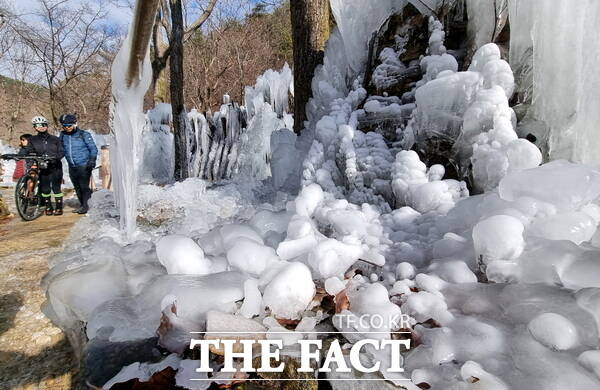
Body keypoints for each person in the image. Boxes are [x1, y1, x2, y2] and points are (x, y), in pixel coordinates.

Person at [19, 116, 65, 216]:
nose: (41, 127)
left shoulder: (55, 139)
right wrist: (23, 156)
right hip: (43, 167)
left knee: (56, 188)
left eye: (43, 125)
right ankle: (48, 206)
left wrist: (55, 157)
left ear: (47, 126)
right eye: (38, 126)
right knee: (45, 189)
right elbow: (29, 151)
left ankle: (58, 207)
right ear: (35, 127)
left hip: (55, 166)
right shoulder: (32, 139)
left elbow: (62, 151)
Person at [59, 113, 97, 214]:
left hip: (84, 165)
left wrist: (92, 160)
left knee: (84, 186)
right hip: (72, 166)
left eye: (69, 125)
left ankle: (87, 206)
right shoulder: (63, 136)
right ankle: (82, 205)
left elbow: (93, 148)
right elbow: (61, 149)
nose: (67, 128)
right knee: (77, 187)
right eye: (65, 126)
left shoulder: (84, 134)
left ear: (75, 123)